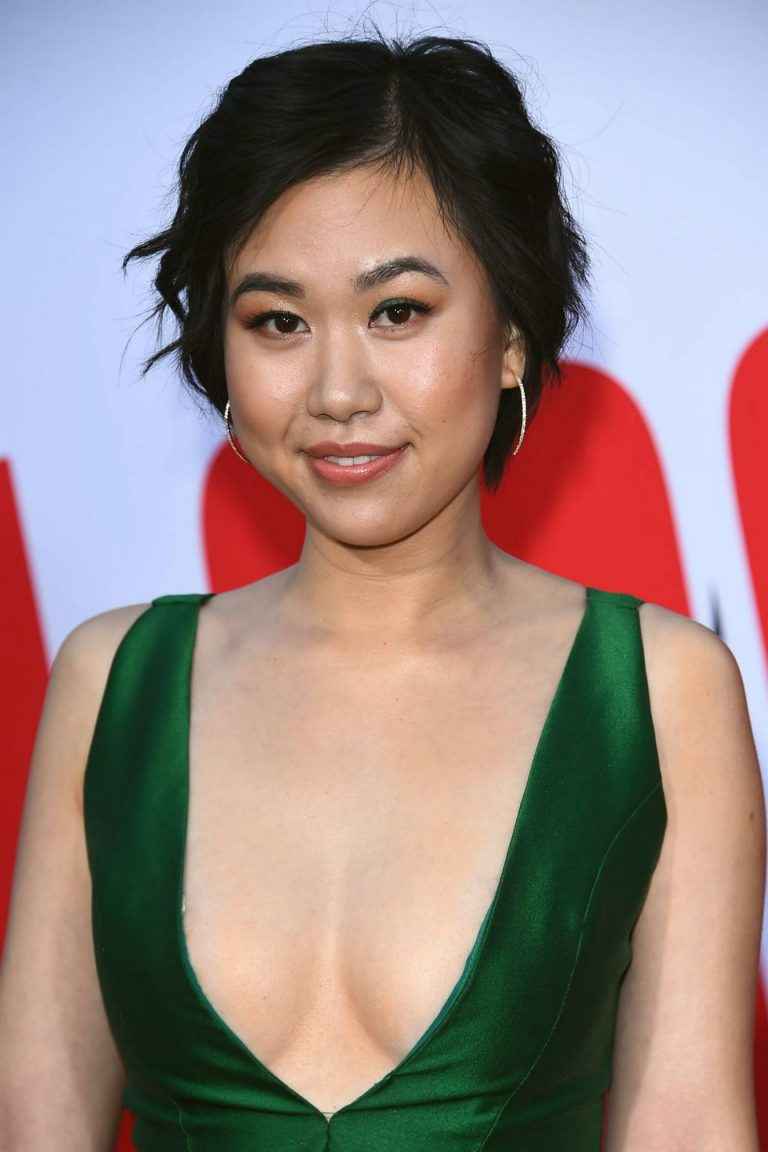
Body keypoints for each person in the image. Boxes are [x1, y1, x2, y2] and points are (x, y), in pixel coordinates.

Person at [0, 25, 764, 1152]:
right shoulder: (115, 683)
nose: (338, 389)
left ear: (512, 334)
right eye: (278, 322)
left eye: (397, 311)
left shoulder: (656, 690)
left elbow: (689, 1123)